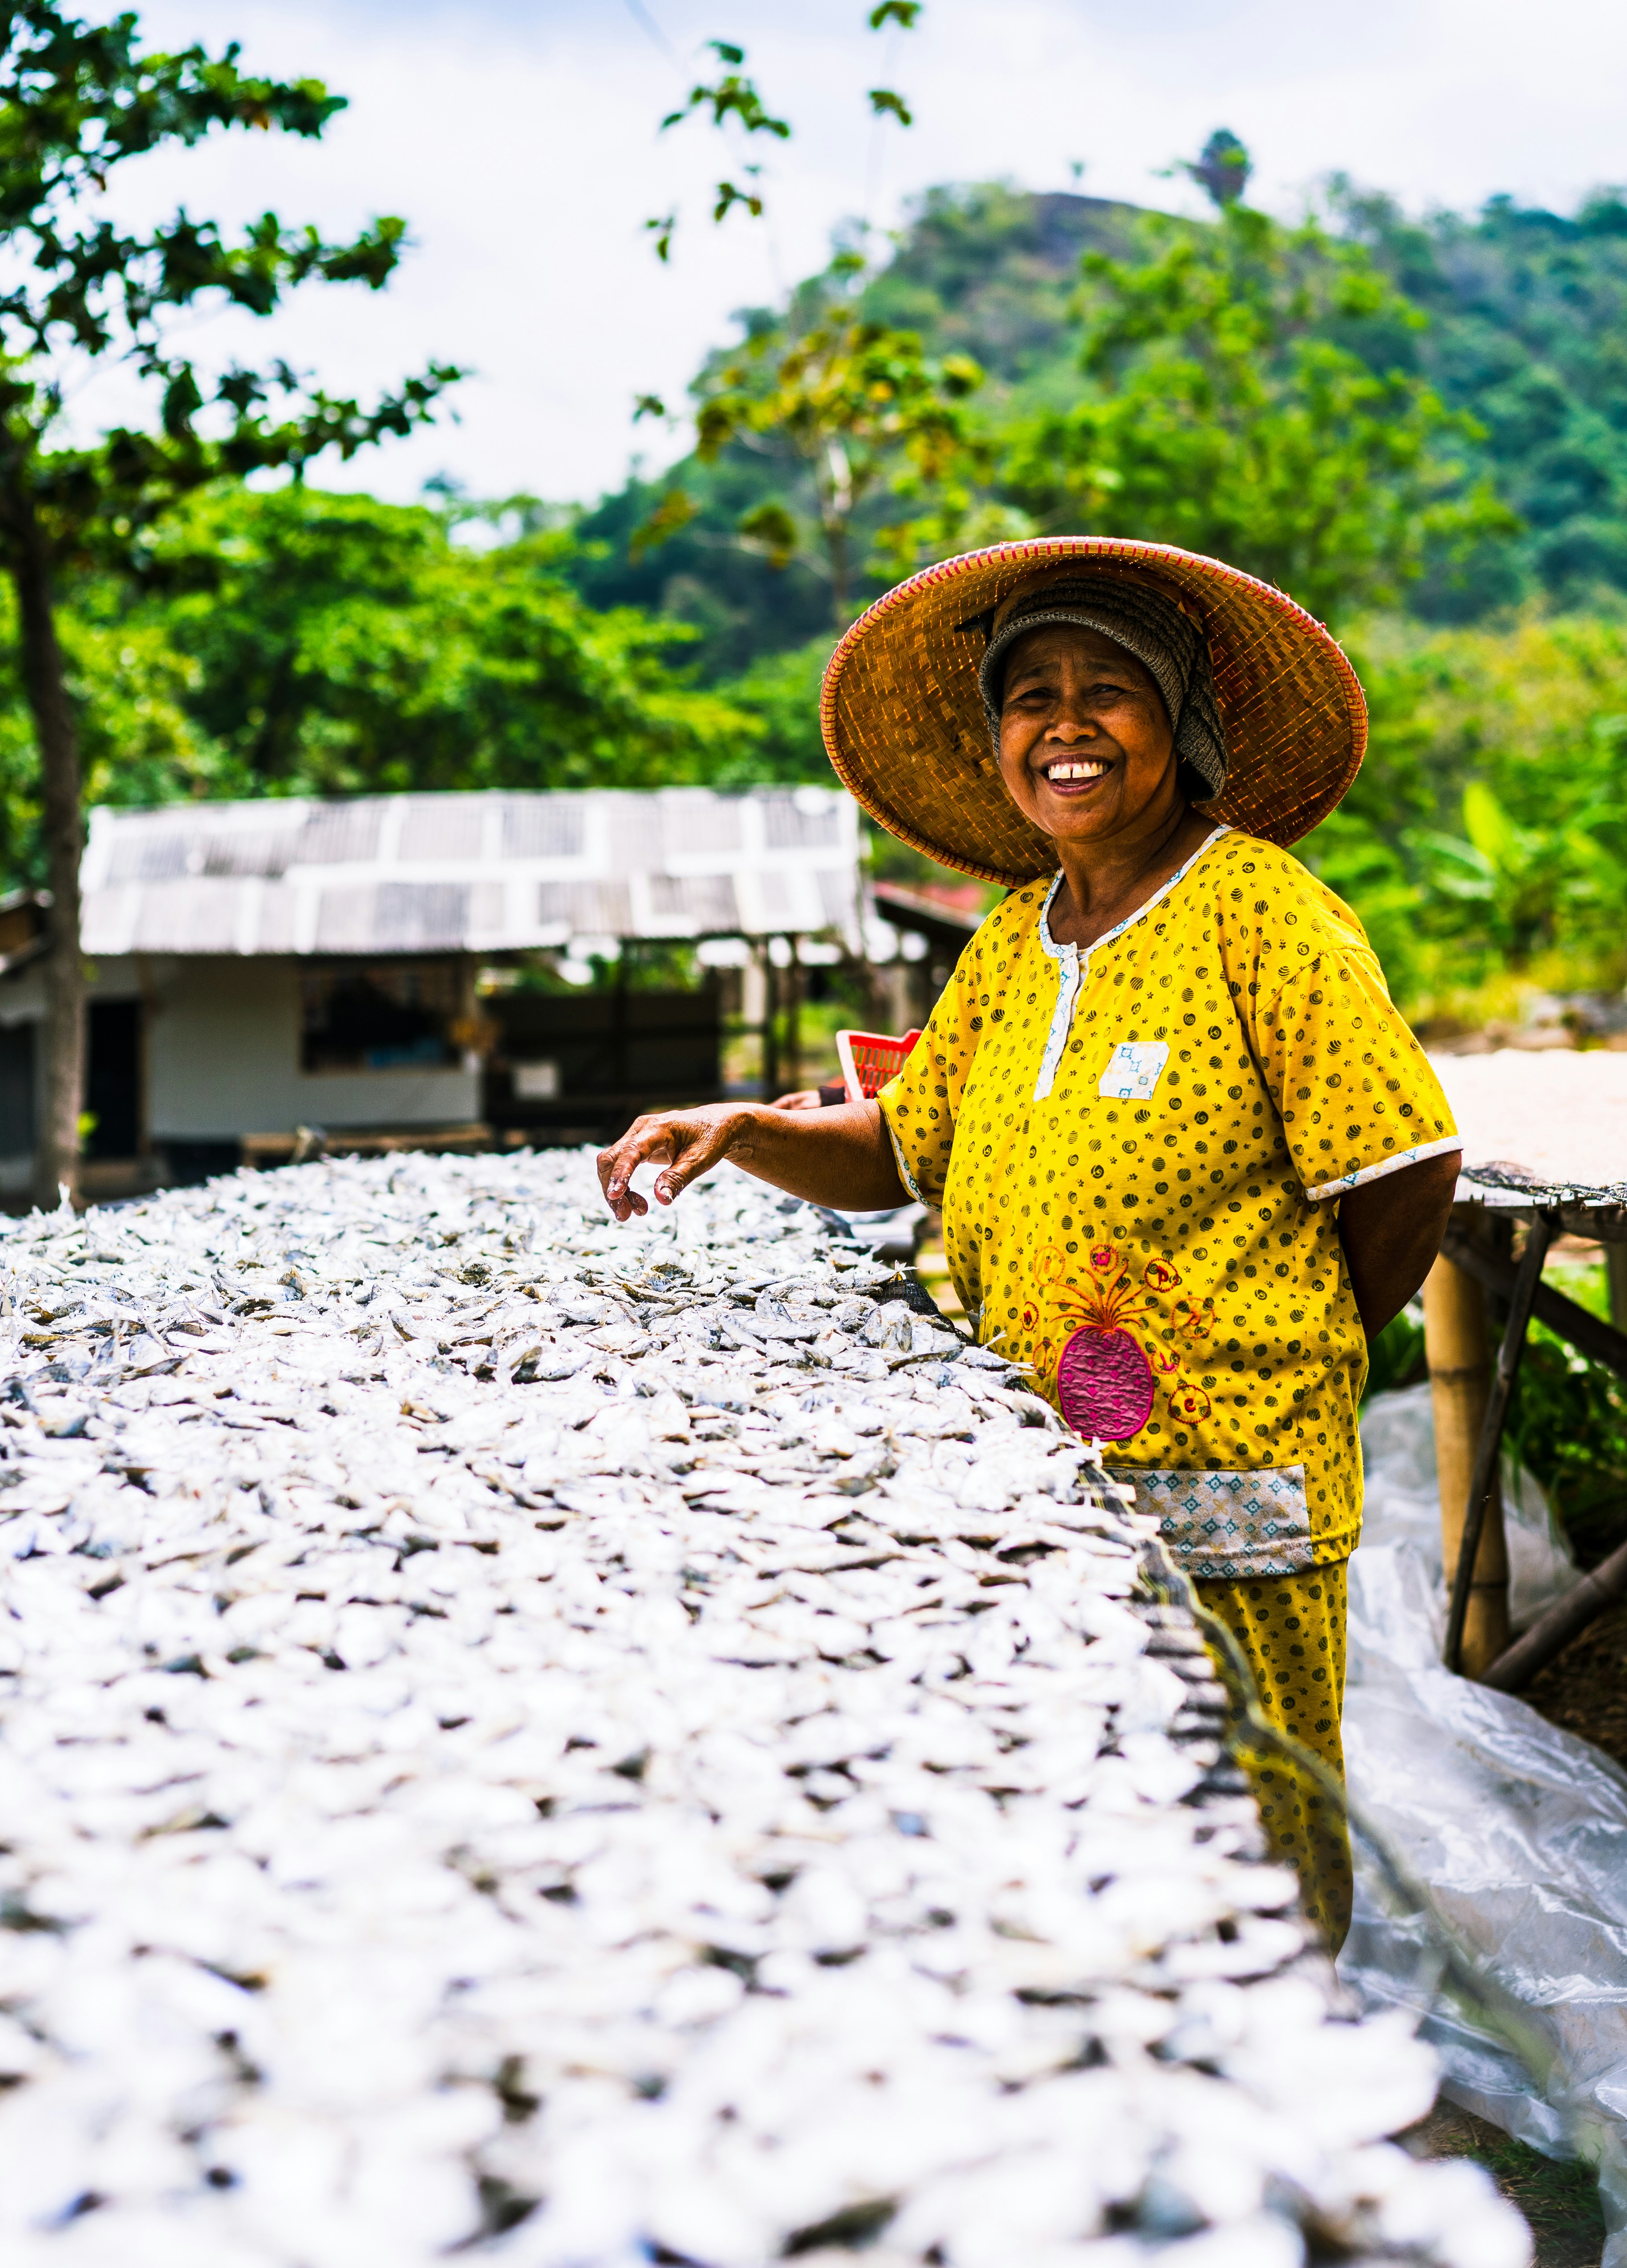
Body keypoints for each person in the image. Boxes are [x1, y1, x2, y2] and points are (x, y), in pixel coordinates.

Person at [596, 538, 1462, 1945]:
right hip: (1045, 1483)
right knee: (1096, 1805)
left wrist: (1305, 1343)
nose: (1064, 725)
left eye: (1105, 690)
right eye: (1030, 696)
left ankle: (1308, 2087)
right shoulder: (1011, 942)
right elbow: (899, 1149)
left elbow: (1403, 1166)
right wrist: (746, 1128)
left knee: (1253, 1803)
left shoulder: (1264, 913)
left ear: (1177, 727)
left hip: (1235, 1470)